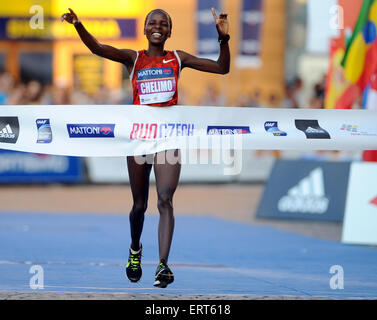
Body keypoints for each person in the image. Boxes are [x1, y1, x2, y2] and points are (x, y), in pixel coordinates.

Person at [61, 7, 230, 288]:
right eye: (153, 22)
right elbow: (98, 48)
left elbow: (222, 69)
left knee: (165, 199)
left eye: (164, 23)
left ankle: (163, 266)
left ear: (169, 31)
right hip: (139, 139)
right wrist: (78, 25)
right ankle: (135, 249)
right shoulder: (133, 58)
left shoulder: (178, 58)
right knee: (139, 205)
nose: (158, 26)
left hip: (168, 140)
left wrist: (223, 39)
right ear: (145, 29)